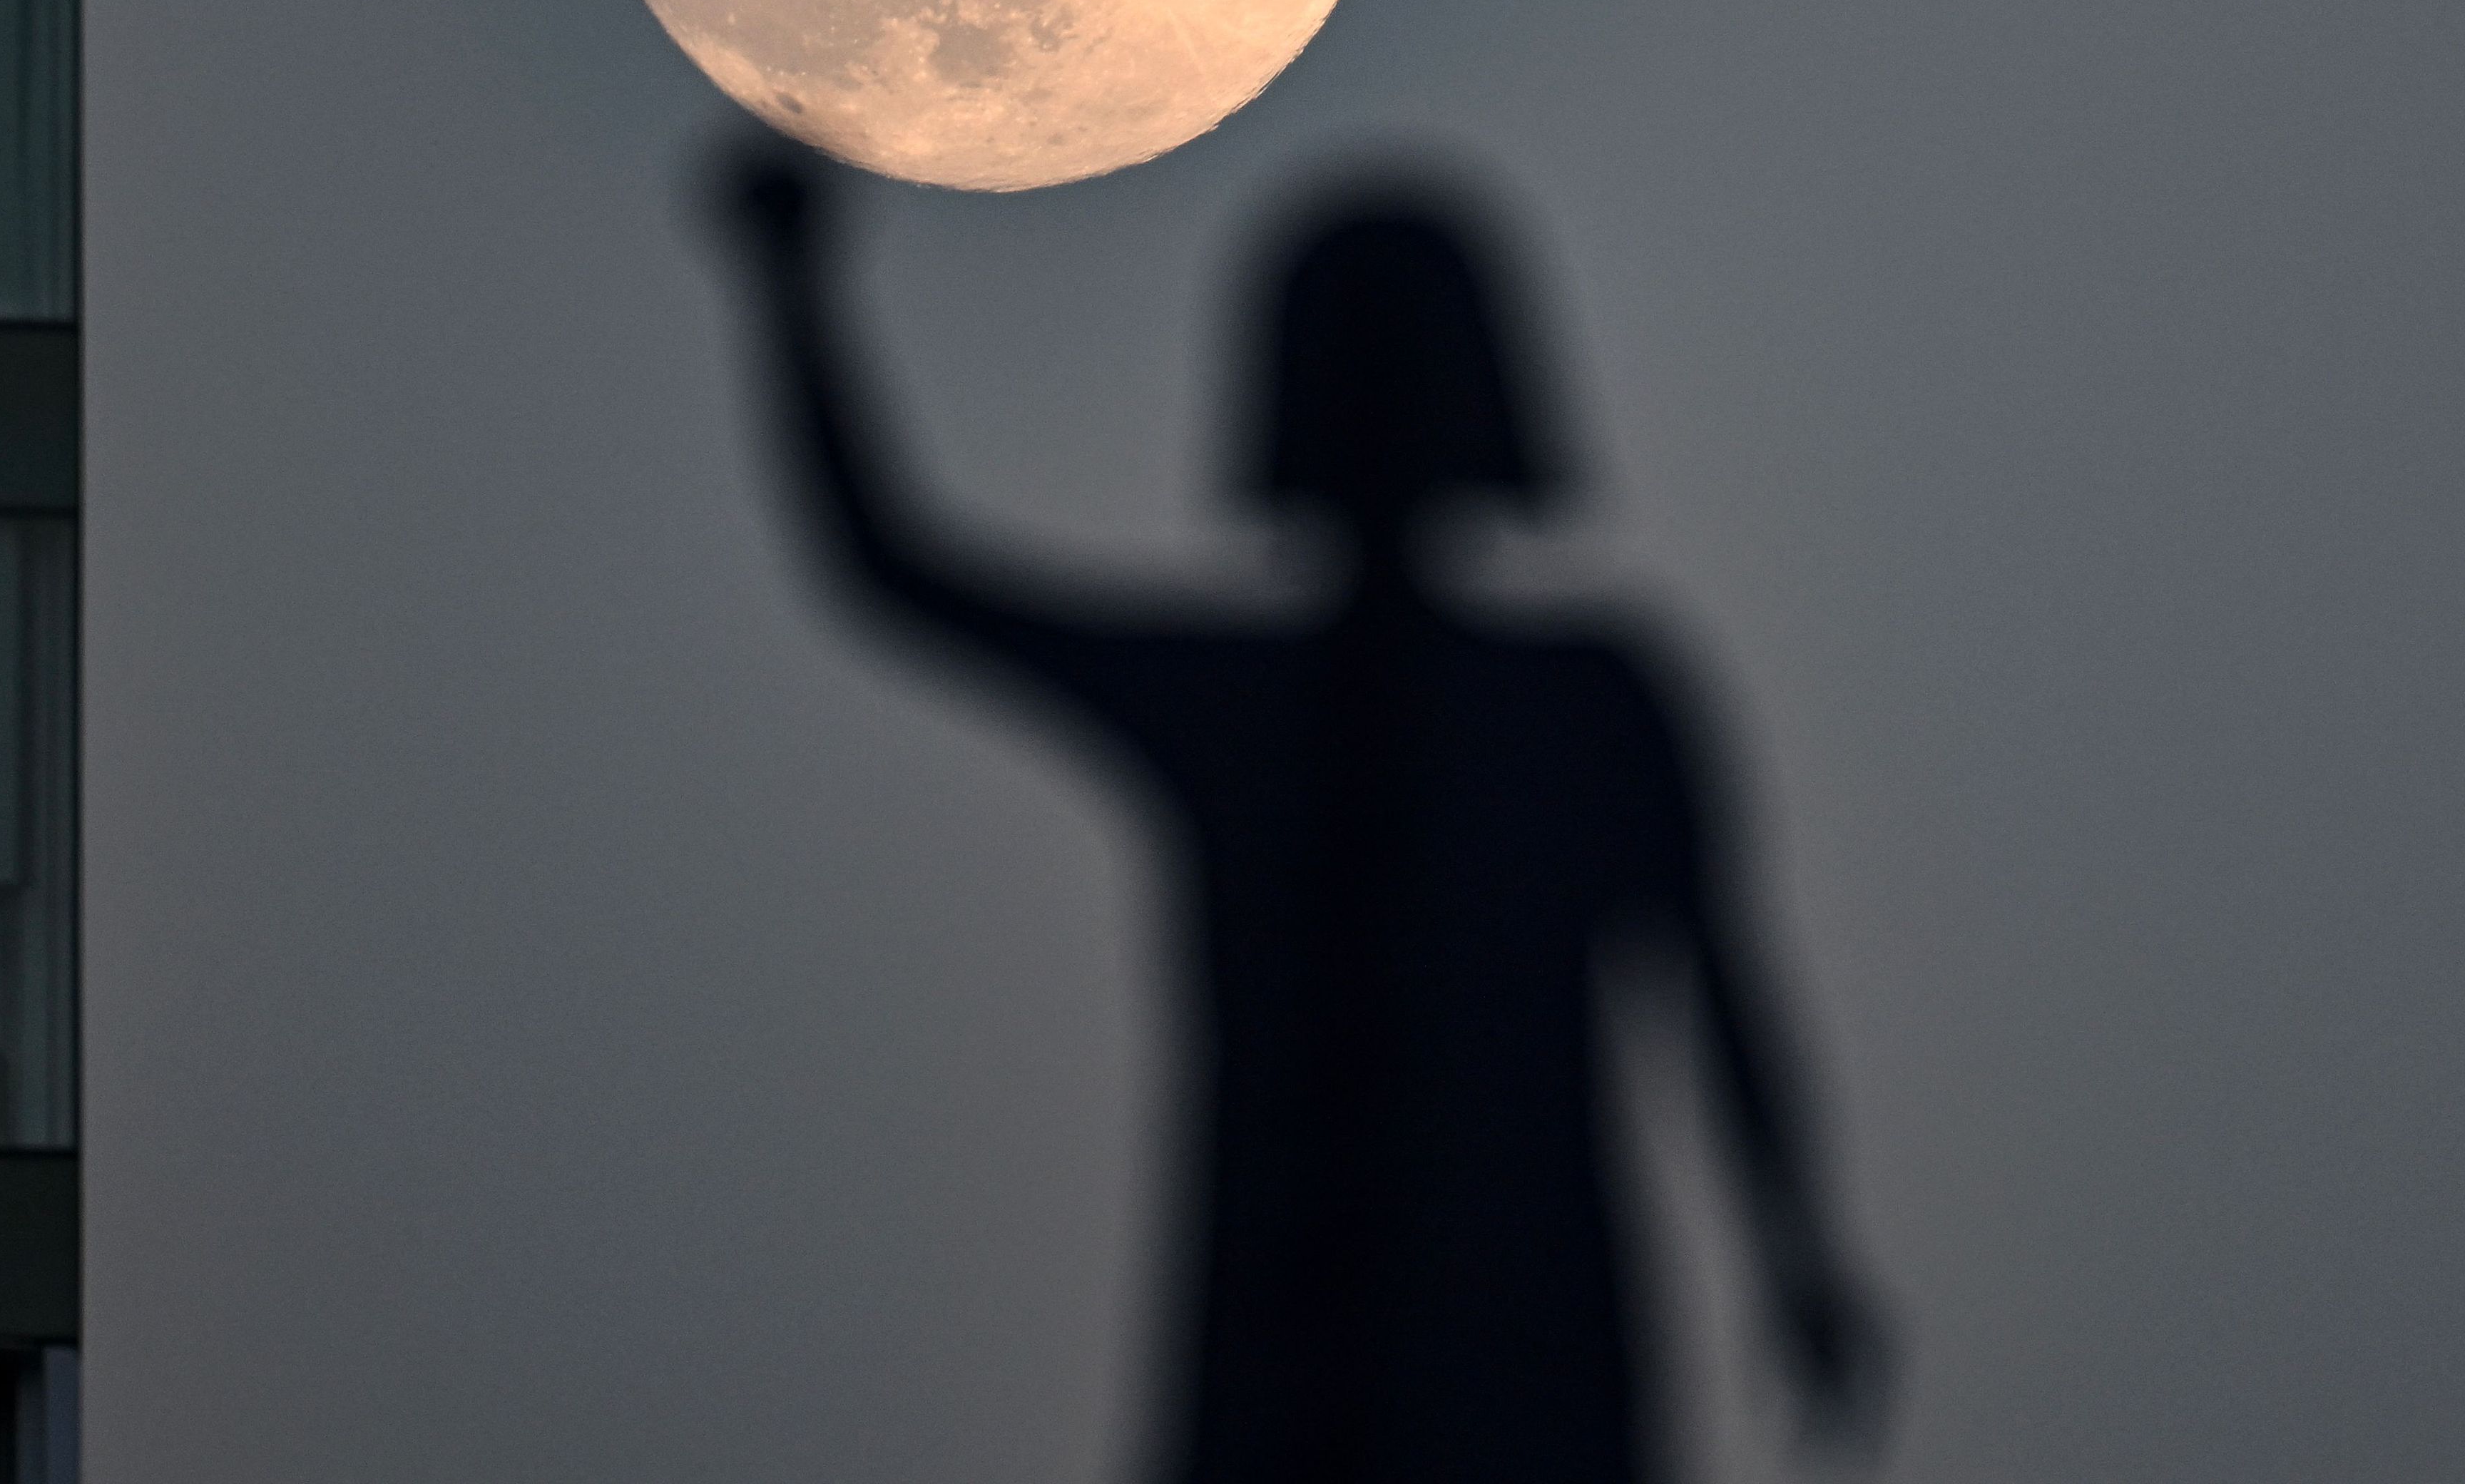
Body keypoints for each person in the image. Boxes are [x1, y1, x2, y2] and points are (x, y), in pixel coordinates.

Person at [710, 140, 1884, 1483]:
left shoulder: (1553, 701)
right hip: (1336, 1347)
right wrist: (788, 295)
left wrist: (1797, 1257)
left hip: (1504, 1346)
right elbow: (892, 563)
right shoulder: (1508, 700)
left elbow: (1719, 998)